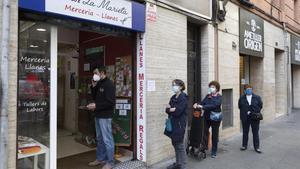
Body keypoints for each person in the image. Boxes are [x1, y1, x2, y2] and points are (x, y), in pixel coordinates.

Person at [87, 66, 116, 169]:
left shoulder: (109, 84)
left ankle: (110, 162)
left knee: (107, 139)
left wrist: (96, 106)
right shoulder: (99, 83)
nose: (94, 75)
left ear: (102, 73)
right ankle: (100, 158)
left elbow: (110, 102)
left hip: (105, 116)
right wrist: (93, 87)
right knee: (99, 139)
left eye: (96, 73)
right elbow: (95, 98)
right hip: (98, 115)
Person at [193, 81, 222, 158]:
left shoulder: (219, 97)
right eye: (210, 87)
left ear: (217, 88)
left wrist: (203, 107)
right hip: (207, 117)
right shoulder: (208, 96)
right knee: (204, 133)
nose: (211, 88)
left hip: (215, 118)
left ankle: (214, 151)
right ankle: (203, 148)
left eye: (213, 87)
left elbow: (214, 105)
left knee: (214, 135)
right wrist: (197, 104)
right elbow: (203, 102)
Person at [164, 79, 188, 169]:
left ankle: (184, 166)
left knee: (180, 146)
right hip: (172, 124)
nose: (173, 87)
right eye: (172, 85)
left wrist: (172, 109)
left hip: (179, 125)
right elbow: (166, 109)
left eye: (175, 85)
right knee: (175, 144)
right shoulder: (173, 97)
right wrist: (171, 109)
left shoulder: (184, 97)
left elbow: (178, 112)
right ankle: (178, 164)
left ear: (181, 87)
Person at [238, 84, 263, 153]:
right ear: (245, 91)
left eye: (250, 89)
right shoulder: (242, 98)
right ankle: (244, 145)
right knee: (245, 132)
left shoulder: (257, 97)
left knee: (255, 133)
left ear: (252, 90)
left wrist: (252, 111)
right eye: (247, 89)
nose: (249, 90)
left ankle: (257, 147)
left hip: (254, 117)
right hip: (245, 118)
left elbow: (260, 106)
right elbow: (239, 106)